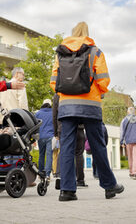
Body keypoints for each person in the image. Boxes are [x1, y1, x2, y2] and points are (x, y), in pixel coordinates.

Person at [50, 21, 124, 201]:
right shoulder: (95, 51)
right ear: (87, 33)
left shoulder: (60, 53)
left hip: (67, 105)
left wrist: (67, 95)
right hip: (90, 104)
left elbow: (54, 82)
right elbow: (103, 81)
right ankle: (109, 186)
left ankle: (67, 191)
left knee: (67, 146)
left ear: (73, 33)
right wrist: (97, 93)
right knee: (98, 144)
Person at [35, 99, 54, 181]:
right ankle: (47, 174)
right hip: (50, 136)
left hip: (41, 136)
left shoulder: (37, 113)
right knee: (49, 155)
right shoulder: (53, 113)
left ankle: (40, 173)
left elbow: (35, 125)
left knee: (41, 154)